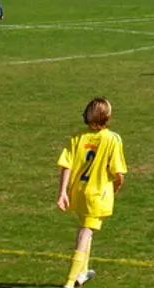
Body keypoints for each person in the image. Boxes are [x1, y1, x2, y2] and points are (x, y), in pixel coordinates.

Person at [56, 97, 127, 288]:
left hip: (78, 192)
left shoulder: (77, 137)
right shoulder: (112, 139)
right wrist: (116, 187)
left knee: (86, 227)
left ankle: (82, 274)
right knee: (85, 232)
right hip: (97, 195)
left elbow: (65, 165)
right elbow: (118, 173)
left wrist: (62, 192)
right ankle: (70, 282)